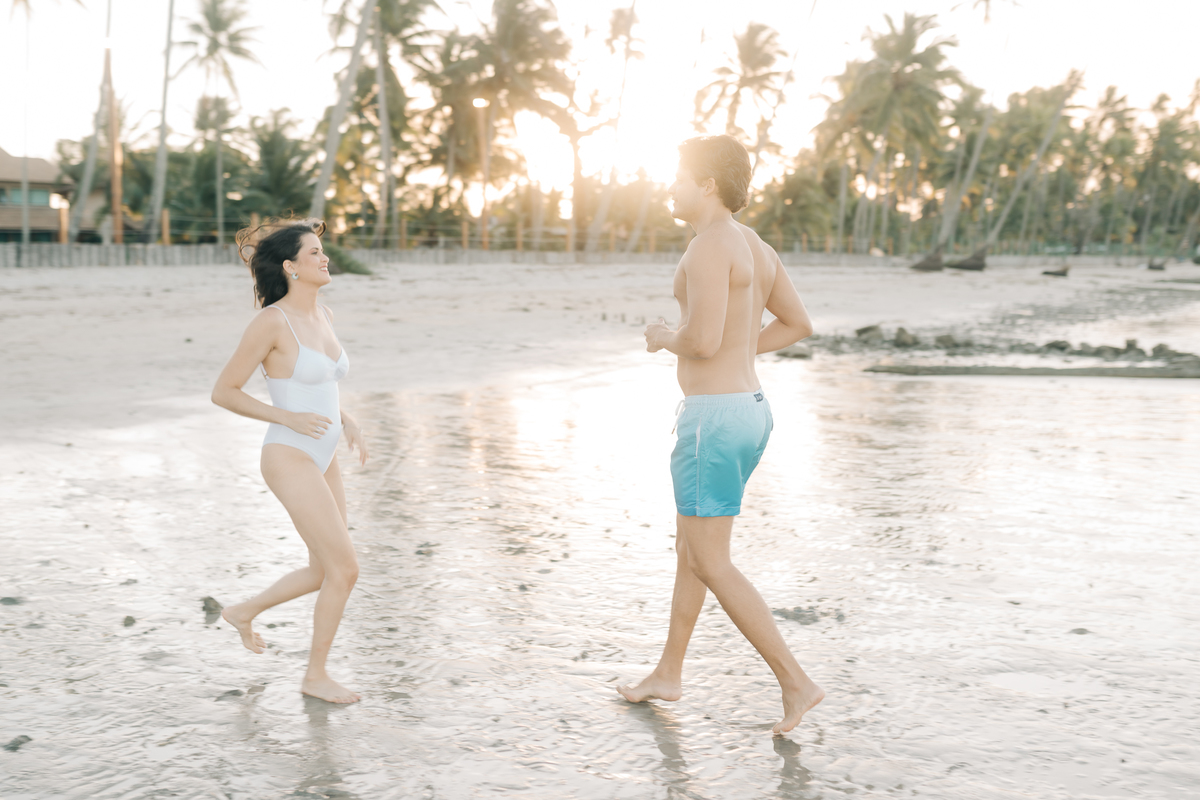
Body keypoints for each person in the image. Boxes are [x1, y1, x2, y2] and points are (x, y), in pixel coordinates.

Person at [617, 135, 824, 734]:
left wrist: (662, 335)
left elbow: (702, 341)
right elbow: (797, 323)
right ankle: (668, 673)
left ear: (707, 184)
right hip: (750, 409)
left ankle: (796, 682)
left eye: (680, 177)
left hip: (712, 418)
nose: (672, 187)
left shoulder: (711, 244)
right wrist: (735, 348)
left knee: (711, 559)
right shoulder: (756, 246)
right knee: (693, 551)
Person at [211, 219, 369, 704]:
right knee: (346, 569)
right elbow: (224, 392)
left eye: (323, 252)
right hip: (289, 452)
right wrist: (287, 417)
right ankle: (315, 676)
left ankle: (243, 611)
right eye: (315, 253)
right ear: (290, 267)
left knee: (323, 571)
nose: (325, 259)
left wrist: (345, 418)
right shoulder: (270, 322)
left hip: (322, 451)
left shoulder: (324, 315)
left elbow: (318, 384)